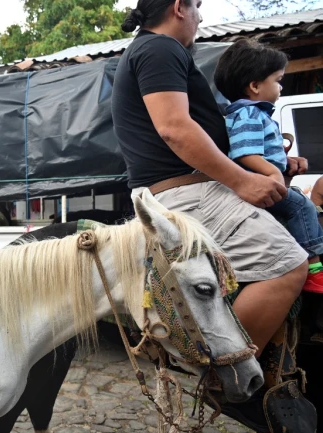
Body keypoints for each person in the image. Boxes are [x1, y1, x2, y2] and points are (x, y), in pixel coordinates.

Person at [111, 0, 308, 356]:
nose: (201, 18)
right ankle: (226, 371)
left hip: (189, 188)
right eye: (198, 7)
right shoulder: (159, 48)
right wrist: (242, 180)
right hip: (187, 190)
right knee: (289, 265)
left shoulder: (157, 49)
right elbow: (174, 128)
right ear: (179, 8)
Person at [214, 39, 323, 293]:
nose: (281, 86)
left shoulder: (254, 113)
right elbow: (245, 153)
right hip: (258, 185)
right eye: (278, 80)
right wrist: (273, 172)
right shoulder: (248, 114)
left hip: (264, 181)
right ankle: (314, 268)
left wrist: (285, 164)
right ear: (254, 86)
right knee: (302, 207)